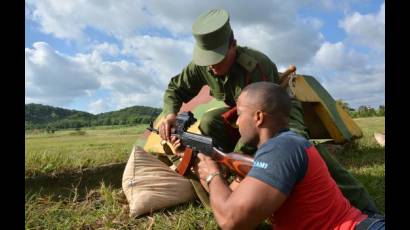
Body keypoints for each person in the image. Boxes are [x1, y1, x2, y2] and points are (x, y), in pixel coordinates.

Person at [157, 8, 378, 215]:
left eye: (218, 59)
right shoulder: (201, 66)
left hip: (277, 110)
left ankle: (363, 204)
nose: (211, 67)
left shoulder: (256, 66)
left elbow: (259, 125)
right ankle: (227, 184)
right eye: (207, 61)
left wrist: (241, 159)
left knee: (298, 148)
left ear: (233, 45)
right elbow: (175, 89)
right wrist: (170, 115)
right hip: (241, 114)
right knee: (210, 121)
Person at [191, 82, 385, 229]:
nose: (237, 123)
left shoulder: (282, 148)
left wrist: (212, 175)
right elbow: (229, 199)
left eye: (239, 114)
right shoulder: (282, 146)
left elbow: (230, 219)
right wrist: (195, 162)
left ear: (258, 117)